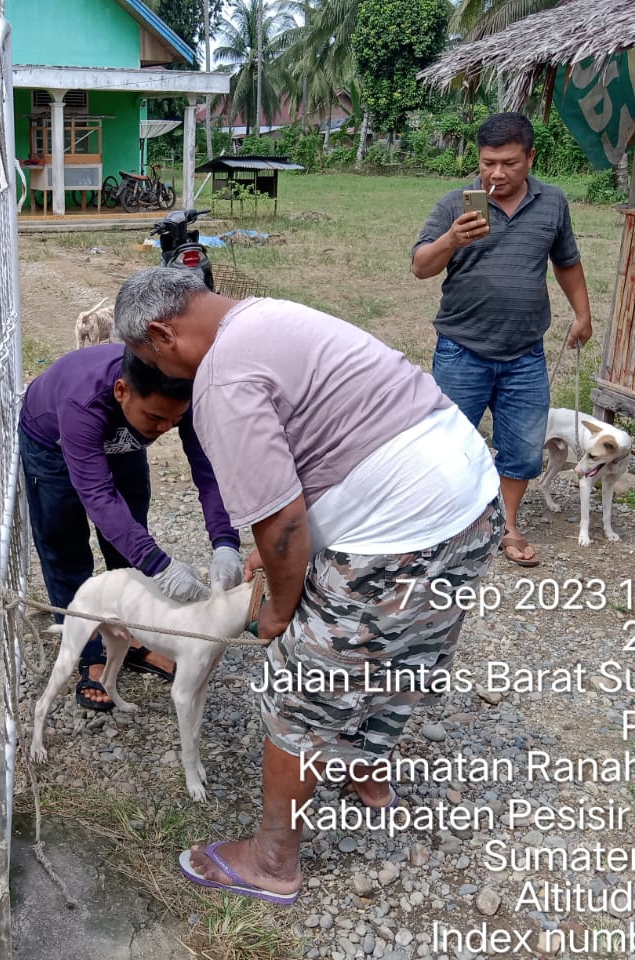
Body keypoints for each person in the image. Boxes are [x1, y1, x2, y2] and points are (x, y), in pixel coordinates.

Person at [113, 267, 502, 905]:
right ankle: (369, 779)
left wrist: (277, 613)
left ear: (160, 334)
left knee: (301, 684)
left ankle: (271, 861)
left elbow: (285, 524)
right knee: (397, 654)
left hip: (399, 528)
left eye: (144, 355)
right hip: (470, 500)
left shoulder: (221, 382)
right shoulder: (270, 312)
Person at [412, 111, 593, 567]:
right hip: (462, 349)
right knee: (446, 446)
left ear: (530, 157)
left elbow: (566, 261)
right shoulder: (457, 204)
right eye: (488, 162)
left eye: (509, 162)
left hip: (525, 353)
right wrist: (451, 240)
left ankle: (506, 525)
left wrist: (582, 313)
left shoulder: (552, 203)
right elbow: (421, 266)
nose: (496, 173)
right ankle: (441, 525)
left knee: (523, 450)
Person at [19, 343, 242, 711]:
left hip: (123, 440)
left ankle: (134, 636)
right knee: (65, 548)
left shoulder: (176, 391)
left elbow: (207, 469)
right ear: (122, 391)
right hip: (53, 443)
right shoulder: (83, 401)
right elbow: (98, 495)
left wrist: (225, 541)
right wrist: (160, 565)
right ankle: (89, 653)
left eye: (174, 421)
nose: (164, 429)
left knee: (128, 542)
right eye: (156, 419)